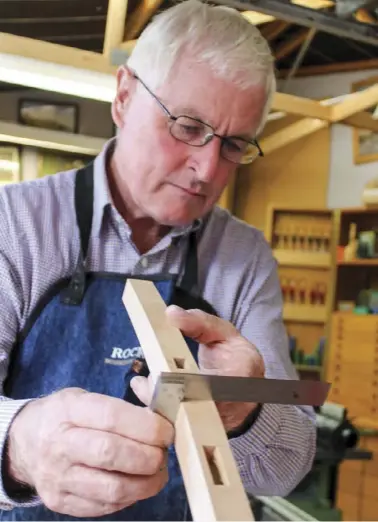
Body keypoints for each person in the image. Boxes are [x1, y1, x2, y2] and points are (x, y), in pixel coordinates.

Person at [0, 1, 317, 520]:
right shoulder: (14, 226)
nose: (207, 168)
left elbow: (288, 466)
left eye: (234, 144)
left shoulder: (244, 259)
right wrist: (17, 448)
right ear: (124, 97)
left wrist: (247, 410)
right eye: (188, 126)